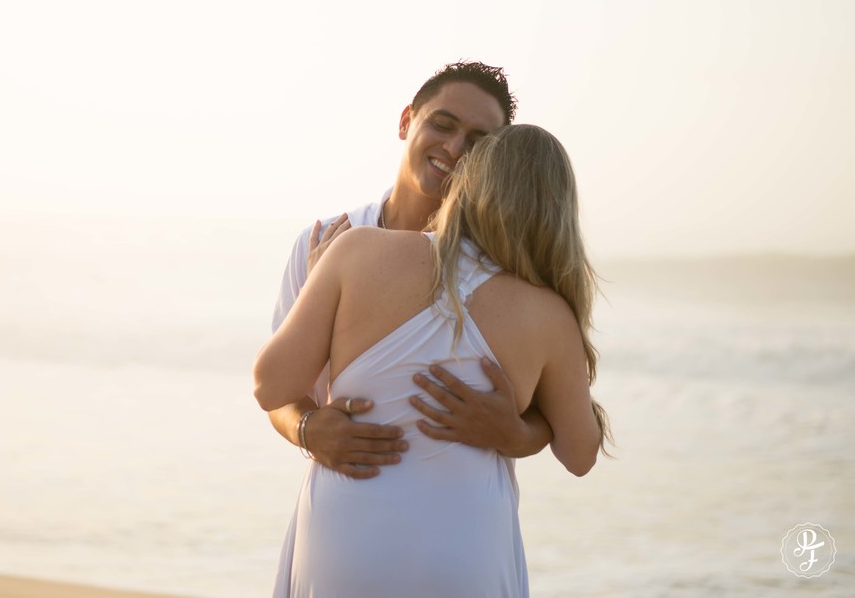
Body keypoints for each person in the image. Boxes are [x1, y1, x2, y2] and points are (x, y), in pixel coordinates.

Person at [254, 124, 611, 597]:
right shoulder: (549, 315)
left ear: (468, 183)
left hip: (345, 543)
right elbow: (580, 453)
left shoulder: (356, 249)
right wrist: (524, 430)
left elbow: (270, 385)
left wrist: (322, 290)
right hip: (468, 554)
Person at [267, 63, 553, 478]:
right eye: (442, 124)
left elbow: (560, 410)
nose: (455, 148)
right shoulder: (324, 242)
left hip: (464, 512)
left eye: (477, 141)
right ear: (406, 121)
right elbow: (277, 392)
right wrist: (307, 429)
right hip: (344, 504)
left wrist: (516, 436)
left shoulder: (503, 260)